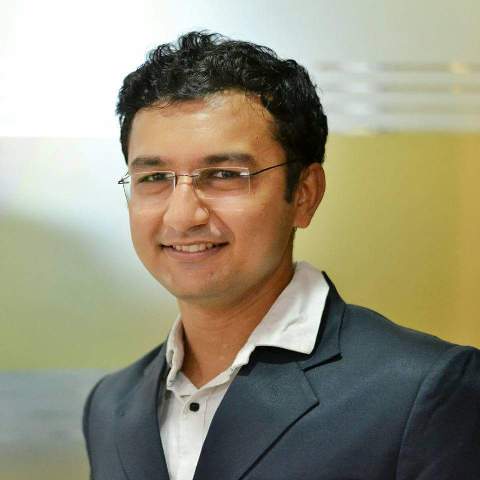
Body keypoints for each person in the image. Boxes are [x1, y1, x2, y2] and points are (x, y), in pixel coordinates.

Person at [82, 31, 480, 480]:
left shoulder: (423, 388)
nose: (182, 215)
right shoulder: (111, 406)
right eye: (154, 178)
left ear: (305, 194)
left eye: (224, 174)